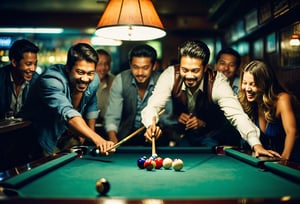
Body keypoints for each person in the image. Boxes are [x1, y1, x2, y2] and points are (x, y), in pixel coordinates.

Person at [142, 40, 280, 157]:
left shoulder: (217, 82)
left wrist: (256, 144)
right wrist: (150, 125)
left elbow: (238, 115)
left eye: (195, 70)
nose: (189, 76)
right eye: (185, 70)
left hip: (211, 136)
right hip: (184, 136)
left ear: (206, 67)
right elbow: (153, 106)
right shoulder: (170, 75)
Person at [19, 43, 114, 156]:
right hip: (39, 137)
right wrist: (97, 139)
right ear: (68, 68)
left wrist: (89, 132)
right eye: (80, 72)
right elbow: (67, 112)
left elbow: (91, 104)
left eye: (90, 73)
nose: (85, 78)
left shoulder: (94, 80)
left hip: (67, 135)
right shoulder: (51, 80)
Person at [239, 60, 300, 162]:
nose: (247, 88)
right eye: (245, 83)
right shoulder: (251, 103)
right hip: (271, 160)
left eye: (253, 84)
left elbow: (292, 132)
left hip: (293, 160)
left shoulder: (282, 99)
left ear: (265, 84)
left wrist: (284, 160)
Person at [104, 44, 161, 146]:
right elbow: (112, 116)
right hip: (125, 139)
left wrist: (156, 130)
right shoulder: (120, 80)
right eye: (135, 67)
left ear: (154, 66)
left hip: (156, 140)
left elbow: (167, 117)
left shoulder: (161, 81)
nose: (140, 72)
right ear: (130, 65)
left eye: (145, 68)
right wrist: (112, 138)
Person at [0, 39, 39, 119]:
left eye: (35, 64)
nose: (33, 69)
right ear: (14, 62)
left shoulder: (36, 81)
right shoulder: (1, 78)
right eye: (28, 64)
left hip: (26, 129)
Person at [94, 49, 115, 138]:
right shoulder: (84, 82)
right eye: (99, 64)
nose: (103, 68)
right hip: (87, 130)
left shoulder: (116, 82)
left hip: (110, 130)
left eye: (106, 64)